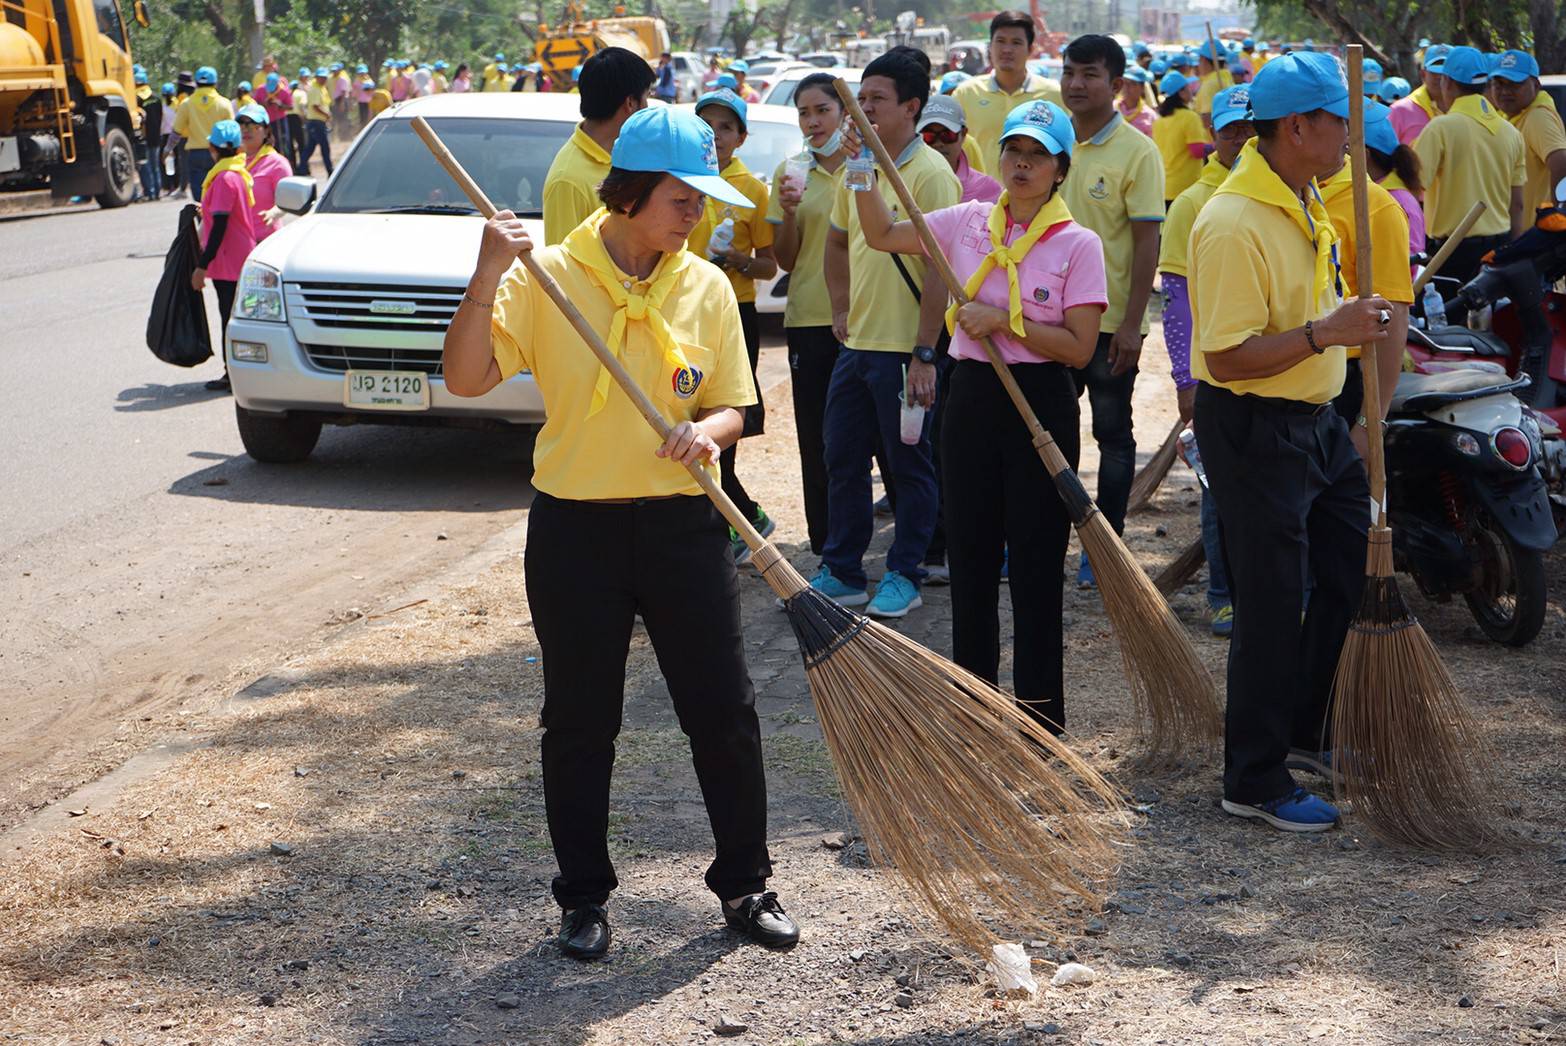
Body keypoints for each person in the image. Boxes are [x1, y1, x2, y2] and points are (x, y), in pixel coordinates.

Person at [442, 104, 799, 962]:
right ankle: (582, 898)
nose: (697, 213)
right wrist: (488, 272)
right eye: (684, 198)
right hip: (576, 531)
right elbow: (465, 377)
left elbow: (736, 404)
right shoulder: (547, 276)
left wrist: (707, 432)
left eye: (702, 199)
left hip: (683, 526)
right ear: (633, 193)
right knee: (578, 721)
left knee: (723, 711)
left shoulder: (704, 283)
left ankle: (746, 883)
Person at [1187, 51, 1393, 833]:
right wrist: (1324, 333)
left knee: (1347, 569)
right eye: (1342, 120)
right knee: (1271, 601)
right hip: (1254, 426)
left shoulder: (1307, 198)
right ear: (1298, 127)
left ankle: (1306, 729)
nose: (1352, 135)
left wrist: (1344, 328)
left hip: (1318, 422)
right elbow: (1227, 358)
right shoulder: (1233, 221)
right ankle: (1255, 777)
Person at [855, 98, 1105, 733]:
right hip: (971, 397)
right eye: (1014, 151)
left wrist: (1006, 322)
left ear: (1060, 169)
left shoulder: (1079, 244)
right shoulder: (968, 220)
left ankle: (1041, 720)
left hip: (1040, 403)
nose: (1022, 164)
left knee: (1036, 562)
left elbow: (1079, 348)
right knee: (970, 558)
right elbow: (882, 234)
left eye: (1038, 156)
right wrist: (860, 172)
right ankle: (975, 710)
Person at [817, 52, 960, 618]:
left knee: (909, 467)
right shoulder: (855, 166)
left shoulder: (931, 174)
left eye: (876, 99)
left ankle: (905, 572)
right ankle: (843, 571)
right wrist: (840, 306)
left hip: (905, 351)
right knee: (842, 459)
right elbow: (836, 240)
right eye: (860, 98)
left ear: (911, 107)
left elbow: (940, 270)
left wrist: (926, 353)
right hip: (856, 348)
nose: (864, 109)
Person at [1059, 34, 1165, 588]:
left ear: (1116, 84)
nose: (1076, 84)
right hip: (1049, 325)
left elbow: (1147, 243)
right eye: (1069, 72)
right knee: (1048, 437)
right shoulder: (1051, 141)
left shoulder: (1138, 152)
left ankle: (1105, 549)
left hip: (1108, 327)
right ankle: (1040, 537)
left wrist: (1130, 324)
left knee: (1113, 436)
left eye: (1089, 74)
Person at [1157, 84, 1252, 637]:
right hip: (1214, 374)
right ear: (1212, 133)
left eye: (1251, 128)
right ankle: (1222, 594)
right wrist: (1185, 378)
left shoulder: (1285, 193)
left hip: (1271, 369)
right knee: (1218, 492)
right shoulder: (1193, 203)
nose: (1242, 138)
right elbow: (1177, 299)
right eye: (1231, 129)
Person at [687, 88, 780, 563]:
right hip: (685, 309)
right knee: (688, 410)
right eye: (707, 125)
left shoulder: (753, 190)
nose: (716, 135)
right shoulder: (682, 176)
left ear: (742, 138)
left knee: (725, 417)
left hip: (736, 312)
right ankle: (741, 519)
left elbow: (770, 265)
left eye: (726, 127)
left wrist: (738, 260)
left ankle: (738, 524)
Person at [768, 72, 850, 558]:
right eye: (804, 113)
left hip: (864, 320)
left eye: (823, 110)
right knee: (817, 438)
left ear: (845, 113)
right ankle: (826, 542)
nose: (813, 121)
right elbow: (786, 259)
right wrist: (789, 212)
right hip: (809, 321)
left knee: (872, 438)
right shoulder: (792, 171)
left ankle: (895, 545)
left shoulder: (866, 167)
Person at [1318, 99, 1413, 462]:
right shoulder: (1293, 196)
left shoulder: (1378, 208)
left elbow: (1393, 317)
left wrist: (1369, 421)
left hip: (1346, 381)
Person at [1414, 46, 1526, 285]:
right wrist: (1514, 251)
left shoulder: (1440, 128)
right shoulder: (1511, 133)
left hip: (1451, 252)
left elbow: (1412, 186)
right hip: (1499, 247)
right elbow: (1517, 204)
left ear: (1447, 82)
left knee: (1448, 309)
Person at [542, 47, 655, 245]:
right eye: (646, 97)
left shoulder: (634, 153)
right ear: (630, 103)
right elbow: (561, 260)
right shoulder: (568, 180)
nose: (648, 107)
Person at [191, 119, 260, 393]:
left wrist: (201, 266)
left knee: (229, 319)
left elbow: (219, 227)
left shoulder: (222, 179)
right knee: (242, 317)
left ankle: (232, 375)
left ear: (212, 148)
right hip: (242, 256)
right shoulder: (238, 173)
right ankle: (243, 372)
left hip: (228, 261)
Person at [951, 11, 1063, 177]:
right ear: (990, 47)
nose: (1007, 49)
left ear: (1031, 49)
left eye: (1016, 43)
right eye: (1000, 41)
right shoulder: (965, 94)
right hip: (980, 193)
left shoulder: (1054, 95)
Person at [1490, 49, 1566, 219]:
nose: (1505, 91)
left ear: (1536, 85)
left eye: (1514, 84)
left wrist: (1558, 215)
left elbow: (1561, 163)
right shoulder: (1510, 117)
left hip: (1536, 230)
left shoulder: (1537, 117)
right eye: (1499, 84)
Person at [1365, 103, 1427, 259]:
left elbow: (1409, 261)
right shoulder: (1374, 192)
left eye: (1346, 148)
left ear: (1364, 155)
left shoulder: (1398, 201)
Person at [919, 95, 1001, 204]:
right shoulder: (905, 182)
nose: (938, 144)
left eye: (947, 135)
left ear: (963, 134)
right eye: (928, 136)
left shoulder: (987, 189)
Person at [171, 66, 234, 204]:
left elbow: (176, 132)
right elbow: (232, 133)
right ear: (215, 83)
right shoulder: (224, 103)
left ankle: (204, 217)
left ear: (196, 83)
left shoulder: (186, 104)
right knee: (219, 195)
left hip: (195, 155)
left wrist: (166, 150)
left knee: (201, 199)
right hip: (219, 154)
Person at [237, 103, 291, 240]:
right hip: (236, 243)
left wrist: (274, 213)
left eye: (253, 125)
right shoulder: (232, 162)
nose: (246, 130)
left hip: (265, 241)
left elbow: (287, 201)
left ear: (266, 131)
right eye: (241, 125)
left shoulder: (277, 163)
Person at [1153, 71, 1206, 204]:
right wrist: (1216, 146)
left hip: (1164, 186)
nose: (1191, 90)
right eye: (1187, 87)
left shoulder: (1158, 120)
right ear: (1181, 93)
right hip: (1186, 188)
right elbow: (1197, 151)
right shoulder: (1190, 117)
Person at [1389, 44, 1449, 145]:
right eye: (1435, 72)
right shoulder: (1400, 111)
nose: (1440, 77)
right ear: (1423, 74)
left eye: (1446, 73)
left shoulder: (1466, 110)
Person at [299, 68, 335, 175]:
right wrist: (327, 114)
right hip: (316, 122)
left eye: (324, 77)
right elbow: (315, 106)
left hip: (318, 122)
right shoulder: (315, 89)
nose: (323, 79)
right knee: (324, 147)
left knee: (310, 147)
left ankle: (302, 168)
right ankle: (330, 170)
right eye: (321, 77)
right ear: (316, 78)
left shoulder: (321, 88)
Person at [135, 69, 163, 202]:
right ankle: (157, 192)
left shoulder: (136, 99)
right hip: (156, 136)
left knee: (145, 166)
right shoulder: (156, 97)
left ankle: (149, 192)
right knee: (155, 166)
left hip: (142, 138)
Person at [254, 71, 294, 162]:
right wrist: (264, 104)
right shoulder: (261, 90)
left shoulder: (284, 91)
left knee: (283, 143)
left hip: (280, 120)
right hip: (266, 122)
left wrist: (280, 105)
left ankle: (285, 162)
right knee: (267, 144)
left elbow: (291, 106)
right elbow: (255, 104)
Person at [1192, 40, 1230, 132]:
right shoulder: (1227, 77)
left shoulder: (1210, 84)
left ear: (1204, 60)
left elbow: (1207, 119)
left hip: (1211, 137)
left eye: (1199, 60)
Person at [1118, 66, 1155, 137]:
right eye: (1125, 82)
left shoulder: (1150, 116)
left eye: (1133, 83)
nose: (1127, 86)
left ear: (1142, 88)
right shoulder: (1112, 108)